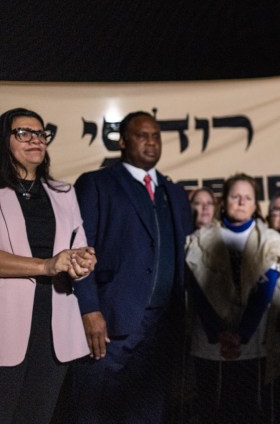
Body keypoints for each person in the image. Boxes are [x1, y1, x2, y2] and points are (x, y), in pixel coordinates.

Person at [72, 110, 193, 423]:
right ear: (123, 141)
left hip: (161, 325)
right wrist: (88, 310)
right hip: (111, 322)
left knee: (146, 412)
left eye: (156, 136)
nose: (151, 142)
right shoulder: (96, 184)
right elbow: (79, 251)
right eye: (143, 135)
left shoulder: (174, 192)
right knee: (95, 411)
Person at [0, 108, 96, 424]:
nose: (36, 140)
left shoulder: (64, 192)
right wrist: (47, 265)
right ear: (4, 140)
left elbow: (76, 248)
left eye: (41, 133)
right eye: (23, 133)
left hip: (54, 331)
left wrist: (81, 262)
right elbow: (51, 263)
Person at [185, 173, 280, 423]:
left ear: (255, 204)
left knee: (245, 411)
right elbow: (196, 291)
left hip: (253, 344)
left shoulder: (270, 240)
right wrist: (219, 332)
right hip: (209, 343)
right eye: (235, 196)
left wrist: (240, 335)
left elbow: (265, 292)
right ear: (224, 201)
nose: (241, 202)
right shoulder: (198, 240)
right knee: (209, 410)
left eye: (247, 197)